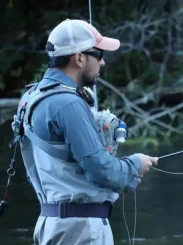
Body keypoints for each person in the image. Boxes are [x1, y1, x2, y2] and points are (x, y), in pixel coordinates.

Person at [11, 19, 158, 245]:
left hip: (52, 223)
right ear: (79, 58)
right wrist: (135, 164)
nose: (103, 62)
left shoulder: (32, 97)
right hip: (79, 230)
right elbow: (103, 171)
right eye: (98, 54)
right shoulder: (67, 103)